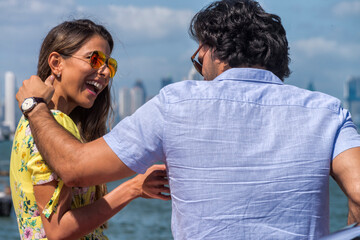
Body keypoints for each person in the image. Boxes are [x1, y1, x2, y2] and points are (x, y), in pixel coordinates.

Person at [15, 0, 360, 239]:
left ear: (212, 51)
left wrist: (34, 105)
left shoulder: (176, 103)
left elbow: (75, 167)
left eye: (198, 61)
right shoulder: (329, 112)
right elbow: (358, 193)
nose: (201, 74)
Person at [10, 19, 170, 240]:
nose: (104, 72)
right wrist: (133, 188)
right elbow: (59, 230)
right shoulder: (51, 126)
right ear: (57, 63)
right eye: (94, 59)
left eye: (109, 65)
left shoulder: (38, 122)